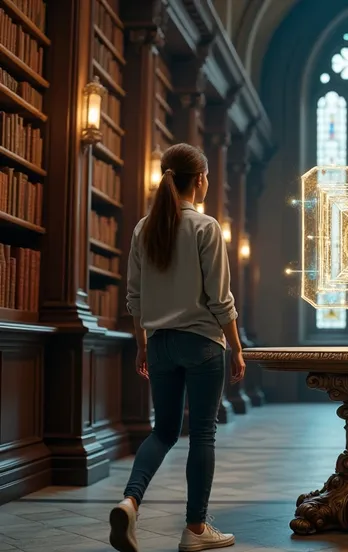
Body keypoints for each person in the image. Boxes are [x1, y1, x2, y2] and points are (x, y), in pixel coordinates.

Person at [109, 143, 246, 552]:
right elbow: (220, 299)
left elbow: (134, 297)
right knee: (203, 433)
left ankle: (130, 500)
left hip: (161, 344)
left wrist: (142, 344)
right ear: (200, 179)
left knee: (163, 431)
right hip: (203, 343)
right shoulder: (205, 227)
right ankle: (196, 530)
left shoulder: (142, 228)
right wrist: (236, 347)